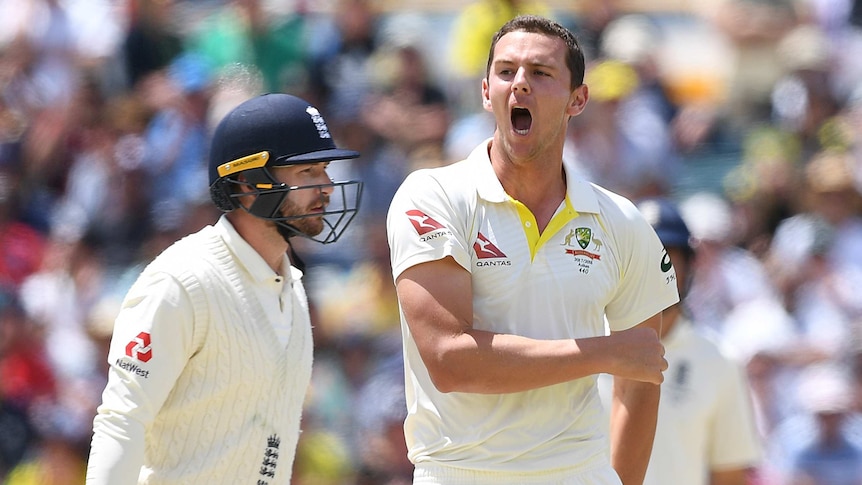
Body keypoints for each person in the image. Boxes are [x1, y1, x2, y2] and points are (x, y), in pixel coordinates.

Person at [386, 15, 678, 485]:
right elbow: (450, 360)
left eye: (541, 73)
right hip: (459, 474)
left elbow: (641, 377)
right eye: (506, 72)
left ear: (577, 99)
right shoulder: (433, 196)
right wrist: (601, 353)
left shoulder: (622, 221)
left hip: (579, 473)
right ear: (486, 92)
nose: (520, 84)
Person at [85, 92, 364, 484]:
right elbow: (121, 421)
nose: (327, 187)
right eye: (307, 173)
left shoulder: (294, 291)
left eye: (323, 171)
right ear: (249, 183)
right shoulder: (182, 280)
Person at [599, 197, 763, 485]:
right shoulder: (582, 344)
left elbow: (729, 475)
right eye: (638, 254)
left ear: (690, 264)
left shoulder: (720, 361)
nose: (651, 269)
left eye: (665, 257)